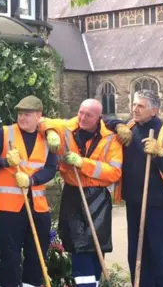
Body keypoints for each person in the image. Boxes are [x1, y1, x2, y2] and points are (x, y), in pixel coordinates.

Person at [104, 89, 163, 287]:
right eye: (134, 104)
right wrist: (118, 125)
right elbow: (102, 121)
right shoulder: (130, 128)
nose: (135, 109)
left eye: (140, 106)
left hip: (160, 208)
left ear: (154, 110)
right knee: (138, 257)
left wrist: (161, 154)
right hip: (134, 205)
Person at [40, 99, 123, 287]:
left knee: (96, 249)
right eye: (80, 112)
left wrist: (83, 163)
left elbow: (114, 172)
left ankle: (92, 283)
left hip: (98, 199)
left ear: (99, 118)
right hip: (73, 194)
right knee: (79, 247)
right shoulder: (66, 128)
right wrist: (50, 132)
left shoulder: (111, 138)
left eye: (89, 115)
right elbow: (41, 120)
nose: (83, 118)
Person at [0, 95, 58, 287]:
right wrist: (5, 161)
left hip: (38, 208)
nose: (22, 117)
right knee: (10, 257)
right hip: (11, 209)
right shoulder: (5, 133)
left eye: (27, 114)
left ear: (39, 116)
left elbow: (51, 168)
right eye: (20, 114)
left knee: (36, 256)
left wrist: (31, 180)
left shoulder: (48, 137)